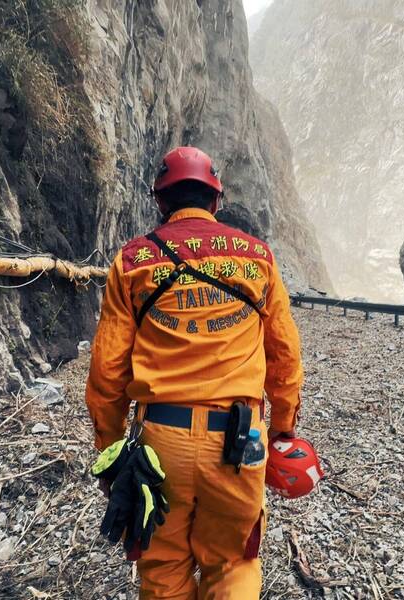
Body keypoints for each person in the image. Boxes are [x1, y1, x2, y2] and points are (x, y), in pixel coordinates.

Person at [85, 146, 304, 599]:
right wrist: (282, 428)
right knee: (234, 563)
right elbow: (284, 356)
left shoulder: (131, 262)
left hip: (159, 445)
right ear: (217, 201)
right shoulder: (257, 257)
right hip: (241, 443)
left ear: (160, 202)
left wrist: (109, 453)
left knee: (162, 566)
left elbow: (107, 373)